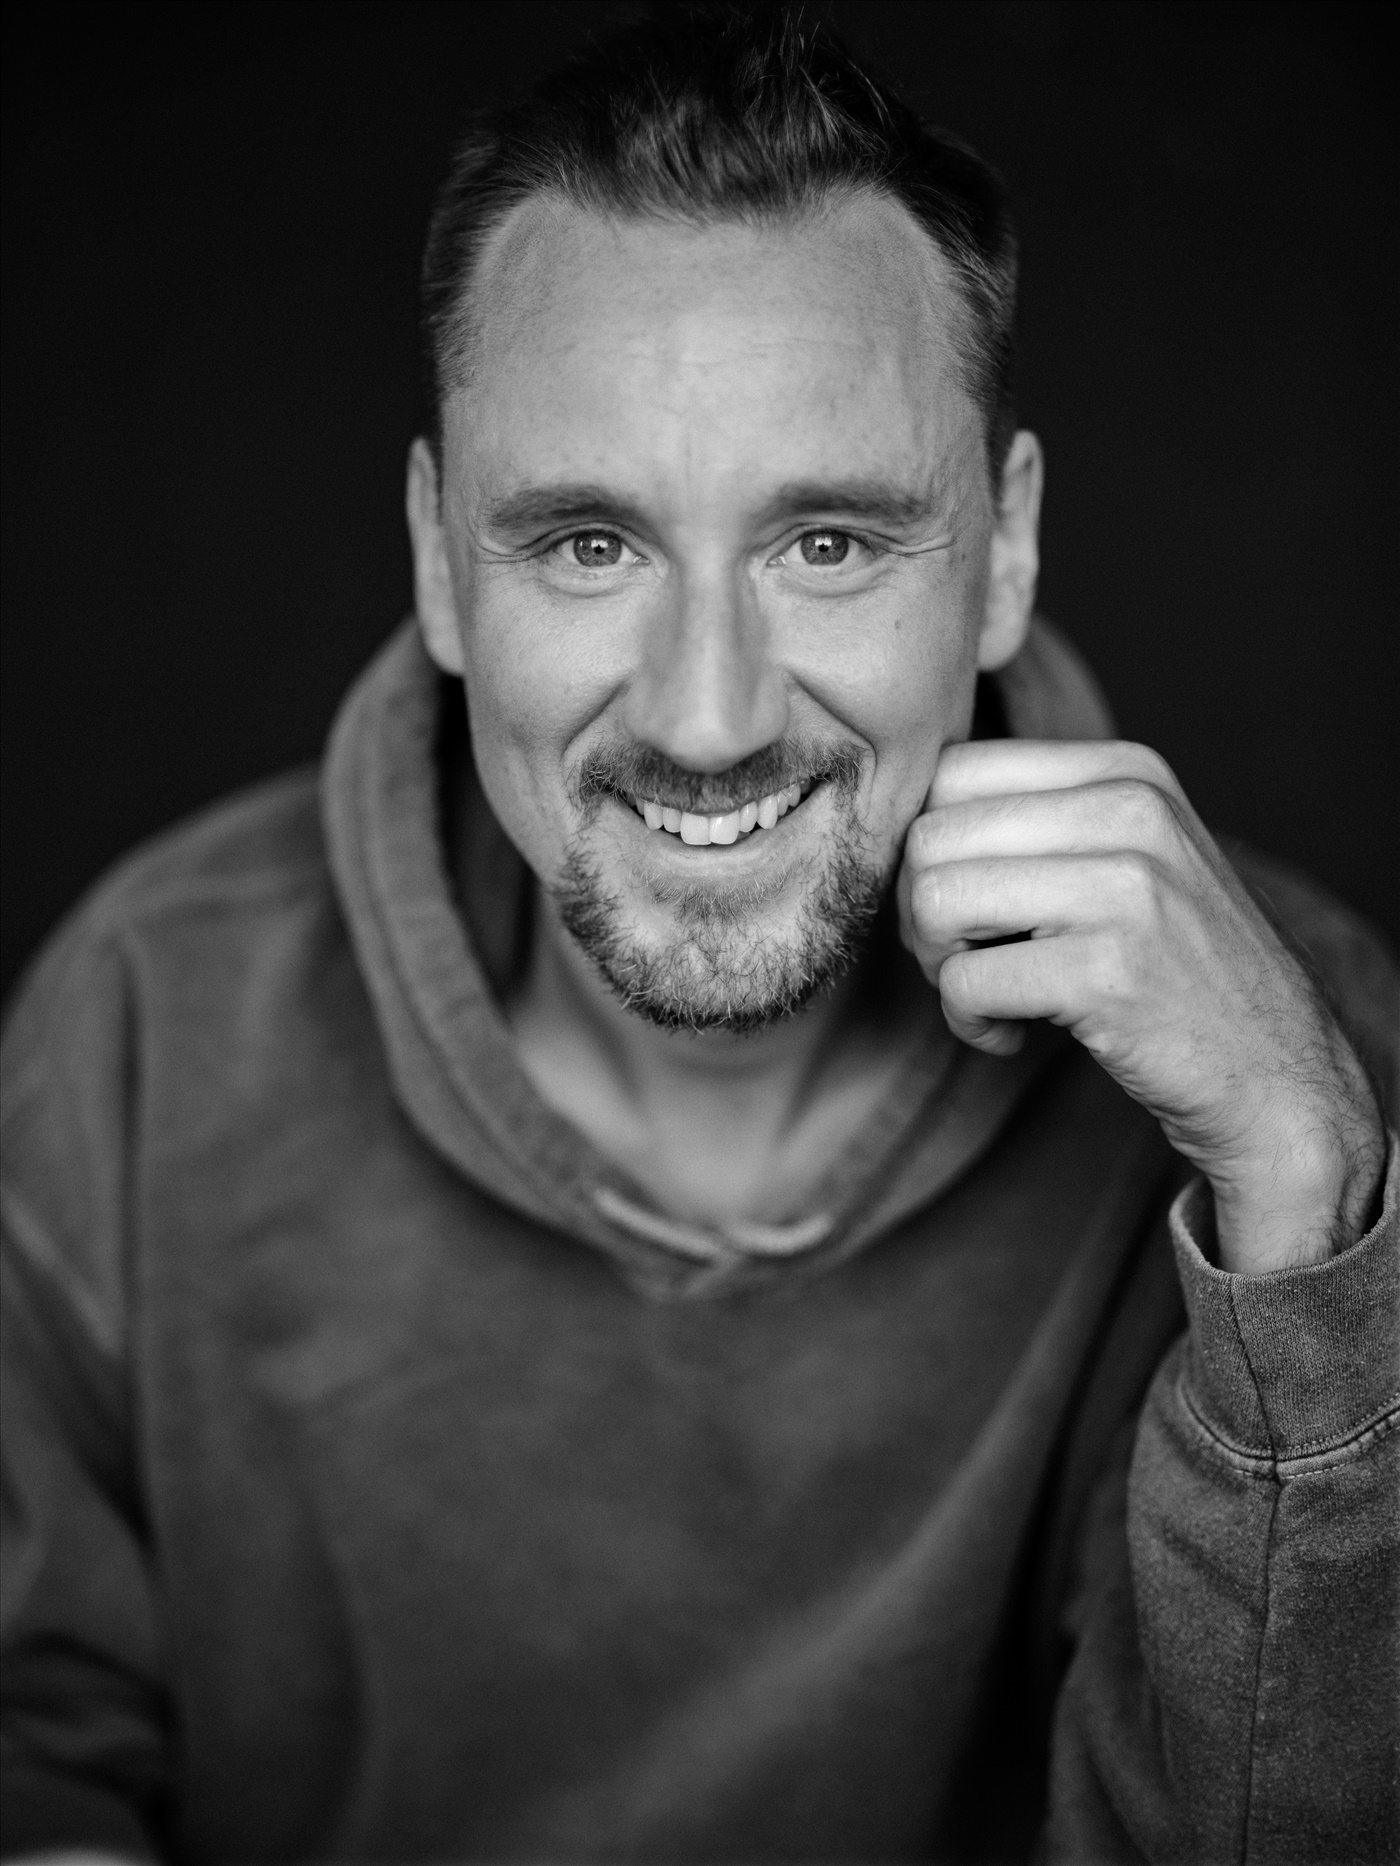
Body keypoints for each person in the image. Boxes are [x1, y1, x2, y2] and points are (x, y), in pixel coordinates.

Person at [2, 9, 1395, 1864]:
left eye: (829, 542)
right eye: (590, 544)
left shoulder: (1291, 1065)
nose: (711, 715)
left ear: (1004, 550)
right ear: (436, 558)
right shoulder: (144, 1018)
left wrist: (1305, 1207)